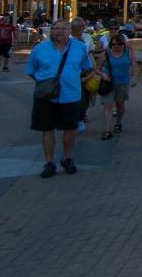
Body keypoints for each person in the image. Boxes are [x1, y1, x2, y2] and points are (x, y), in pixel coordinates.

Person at [26, 20, 92, 178]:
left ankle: (67, 157)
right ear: (51, 31)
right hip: (46, 97)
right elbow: (31, 71)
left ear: (70, 30)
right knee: (47, 129)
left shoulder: (79, 47)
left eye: (63, 28)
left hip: (70, 95)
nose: (59, 31)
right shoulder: (40, 49)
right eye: (55, 28)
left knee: (70, 128)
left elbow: (86, 66)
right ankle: (49, 162)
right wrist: (46, 84)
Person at [96, 32, 136, 138]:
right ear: (110, 45)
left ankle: (118, 122)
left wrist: (134, 77)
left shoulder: (128, 52)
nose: (116, 46)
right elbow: (96, 68)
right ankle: (107, 130)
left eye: (119, 44)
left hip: (123, 82)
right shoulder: (105, 54)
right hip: (108, 83)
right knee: (107, 105)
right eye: (113, 44)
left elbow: (133, 64)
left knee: (120, 105)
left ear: (123, 44)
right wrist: (103, 74)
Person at [70, 18, 95, 131]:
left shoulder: (87, 37)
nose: (84, 28)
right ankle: (73, 117)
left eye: (84, 26)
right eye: (82, 27)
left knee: (85, 97)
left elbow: (90, 53)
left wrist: (94, 68)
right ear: (74, 28)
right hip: (71, 71)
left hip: (85, 71)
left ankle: (81, 116)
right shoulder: (67, 39)